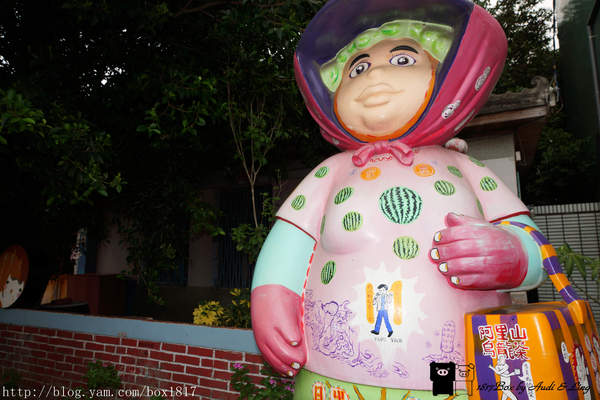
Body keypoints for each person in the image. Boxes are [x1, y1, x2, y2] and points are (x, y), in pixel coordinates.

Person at [251, 0, 547, 398]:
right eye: (357, 68)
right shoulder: (331, 172)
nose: (374, 74)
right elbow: (291, 239)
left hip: (457, 379)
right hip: (330, 376)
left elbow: (538, 251)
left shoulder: (465, 168)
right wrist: (272, 295)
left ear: (443, 76)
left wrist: (513, 254)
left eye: (403, 59)